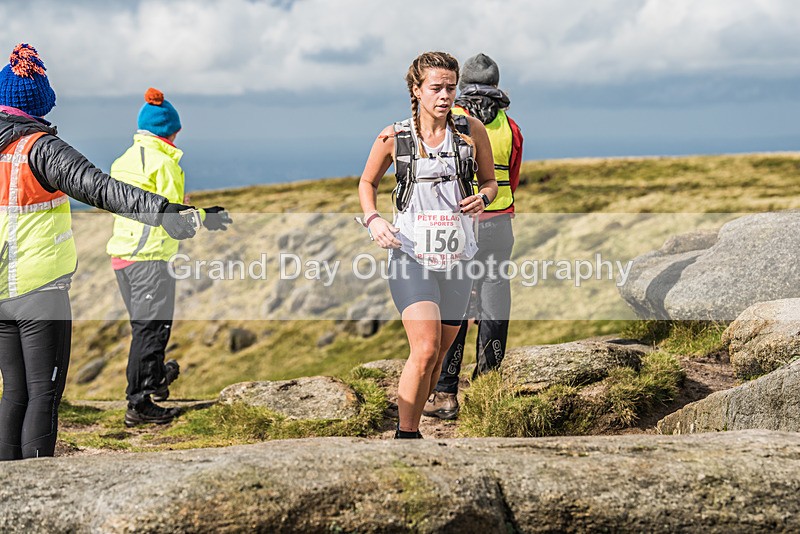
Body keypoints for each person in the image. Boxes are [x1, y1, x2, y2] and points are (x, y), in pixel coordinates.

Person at [0, 43, 198, 461]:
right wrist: (163, 212)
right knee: (42, 396)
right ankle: (35, 495)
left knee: (14, 393)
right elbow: (101, 189)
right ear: (41, 103)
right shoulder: (39, 148)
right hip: (39, 290)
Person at [358, 51, 497, 438]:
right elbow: (367, 183)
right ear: (416, 90)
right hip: (410, 254)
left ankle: (413, 429)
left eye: (451, 87)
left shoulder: (472, 131)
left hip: (458, 256)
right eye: (436, 88)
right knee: (424, 348)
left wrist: (483, 198)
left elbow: (490, 182)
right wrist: (373, 220)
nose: (445, 95)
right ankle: (406, 436)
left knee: (437, 358)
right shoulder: (394, 136)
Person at [106, 88, 232, 427]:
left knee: (146, 326)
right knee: (151, 329)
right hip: (150, 258)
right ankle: (139, 404)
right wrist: (205, 215)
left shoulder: (124, 160)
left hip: (122, 256)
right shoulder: (165, 164)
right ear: (170, 131)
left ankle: (157, 378)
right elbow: (174, 222)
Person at [424, 53, 524, 420]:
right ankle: (487, 389)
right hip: (499, 222)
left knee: (456, 302)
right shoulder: (511, 128)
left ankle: (446, 394)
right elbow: (507, 180)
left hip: (460, 225)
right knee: (496, 301)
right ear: (497, 86)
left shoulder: (451, 122)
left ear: (461, 85)